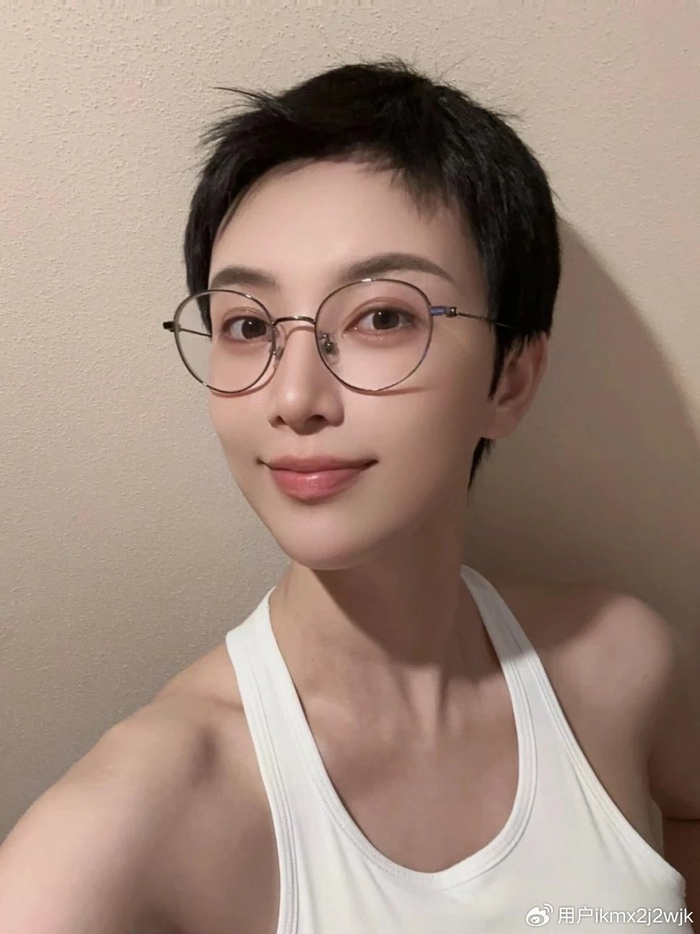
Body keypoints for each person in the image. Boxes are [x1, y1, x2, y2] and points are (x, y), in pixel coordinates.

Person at [0, 57, 697, 934]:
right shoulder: (129, 821)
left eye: (382, 316)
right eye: (248, 325)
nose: (294, 398)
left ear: (510, 380)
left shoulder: (624, 666)